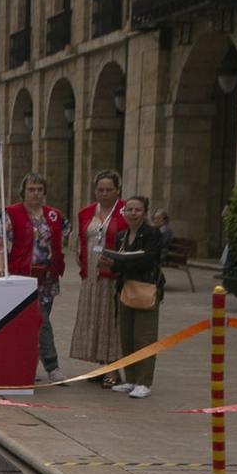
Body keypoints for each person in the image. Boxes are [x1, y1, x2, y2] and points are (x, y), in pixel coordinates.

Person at [1, 173, 67, 382]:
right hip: (22, 277)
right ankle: (52, 365)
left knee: (36, 323)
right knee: (41, 321)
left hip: (47, 280)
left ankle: (29, 364)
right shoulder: (12, 213)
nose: (36, 193)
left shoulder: (54, 215)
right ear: (23, 192)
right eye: (31, 189)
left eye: (39, 189)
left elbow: (63, 238)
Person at [102, 195, 166, 399]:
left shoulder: (152, 233)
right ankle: (130, 378)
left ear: (145, 212)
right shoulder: (121, 235)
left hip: (146, 288)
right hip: (126, 288)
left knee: (144, 337)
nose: (133, 213)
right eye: (129, 210)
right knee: (127, 336)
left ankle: (144, 382)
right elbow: (119, 265)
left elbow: (148, 260)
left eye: (137, 210)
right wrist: (113, 263)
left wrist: (120, 263)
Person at [72, 170, 128, 386]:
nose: (104, 194)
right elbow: (80, 239)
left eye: (109, 190)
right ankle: (103, 365)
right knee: (95, 322)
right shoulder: (86, 212)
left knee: (112, 323)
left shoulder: (125, 211)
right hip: (92, 277)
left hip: (113, 277)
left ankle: (114, 369)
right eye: (100, 190)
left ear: (117, 190)